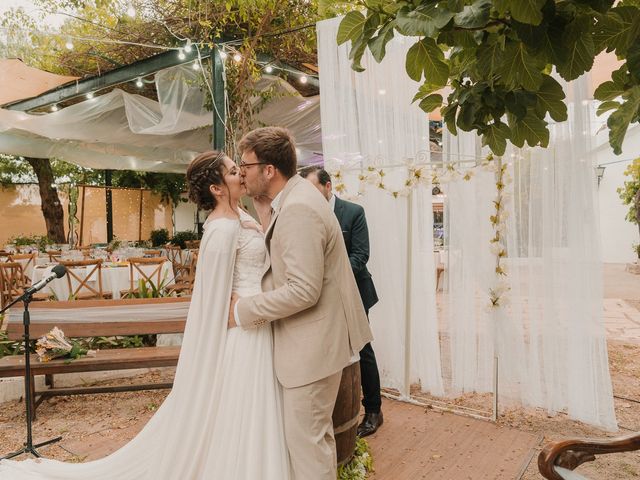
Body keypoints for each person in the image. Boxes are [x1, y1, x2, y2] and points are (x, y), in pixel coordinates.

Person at [0, 151, 291, 480]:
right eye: (234, 171)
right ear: (217, 188)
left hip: (258, 320)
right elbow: (212, 301)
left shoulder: (241, 216)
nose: (241, 175)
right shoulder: (222, 230)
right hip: (242, 330)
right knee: (245, 409)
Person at [229, 127, 373, 480]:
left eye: (245, 165)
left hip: (312, 348)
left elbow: (303, 290)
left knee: (308, 448)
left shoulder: (297, 209)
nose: (241, 172)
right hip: (317, 343)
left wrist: (242, 310)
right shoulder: (296, 200)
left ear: (268, 170)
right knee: (316, 442)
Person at [300, 166, 383, 437]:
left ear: (328, 186)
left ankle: (373, 410)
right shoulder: (307, 215)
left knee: (362, 349)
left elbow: (361, 256)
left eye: (313, 189)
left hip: (355, 293)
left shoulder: (353, 212)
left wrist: (324, 276)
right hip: (321, 297)